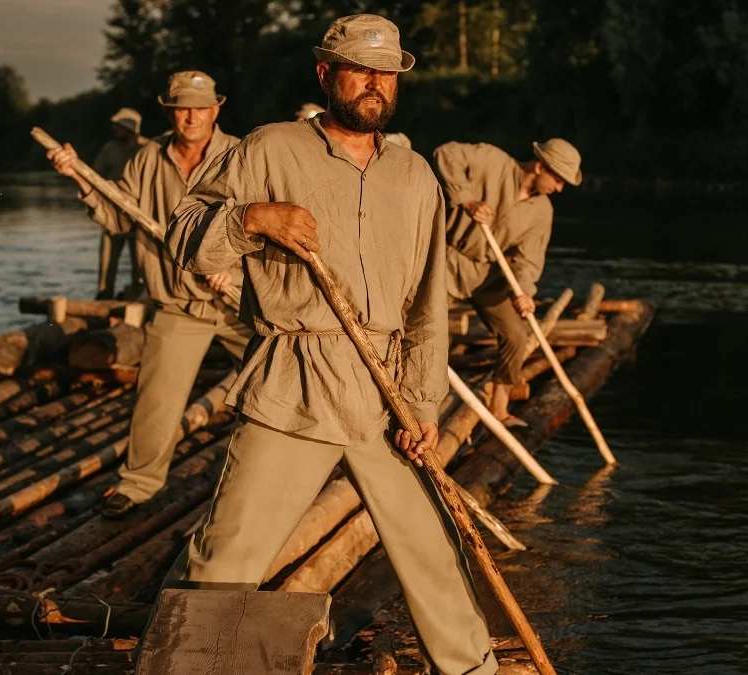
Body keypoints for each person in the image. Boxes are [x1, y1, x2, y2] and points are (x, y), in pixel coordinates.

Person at [161, 15, 496, 675]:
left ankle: (473, 669)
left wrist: (425, 405)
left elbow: (429, 305)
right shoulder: (269, 148)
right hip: (296, 379)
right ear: (325, 74)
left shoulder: (416, 176)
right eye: (359, 69)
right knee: (224, 557)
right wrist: (251, 218)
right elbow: (182, 230)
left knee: (434, 549)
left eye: (386, 74)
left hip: (386, 392)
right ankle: (183, 664)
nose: (374, 85)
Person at [48, 71, 251, 518]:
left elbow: (264, 222)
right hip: (178, 304)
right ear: (168, 112)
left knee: (276, 384)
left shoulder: (242, 155)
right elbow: (118, 218)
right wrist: (79, 177)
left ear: (217, 109)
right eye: (181, 107)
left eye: (200, 106)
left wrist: (233, 268)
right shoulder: (145, 160)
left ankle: (288, 476)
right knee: (156, 402)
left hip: (241, 303)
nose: (191, 115)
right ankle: (138, 485)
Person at [433, 137, 582, 423]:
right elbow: (446, 153)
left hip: (488, 275)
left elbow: (529, 260)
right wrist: (465, 199)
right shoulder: (492, 160)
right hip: (446, 261)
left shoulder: (542, 211)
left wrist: (524, 291)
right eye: (558, 180)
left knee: (515, 336)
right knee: (429, 330)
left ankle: (499, 410)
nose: (560, 189)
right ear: (540, 167)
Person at [92, 107, 150, 300]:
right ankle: (103, 297)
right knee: (107, 262)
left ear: (129, 128)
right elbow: (95, 176)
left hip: (140, 216)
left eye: (118, 126)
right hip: (112, 214)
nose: (115, 129)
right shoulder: (110, 149)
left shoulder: (148, 149)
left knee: (140, 263)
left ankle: (137, 296)